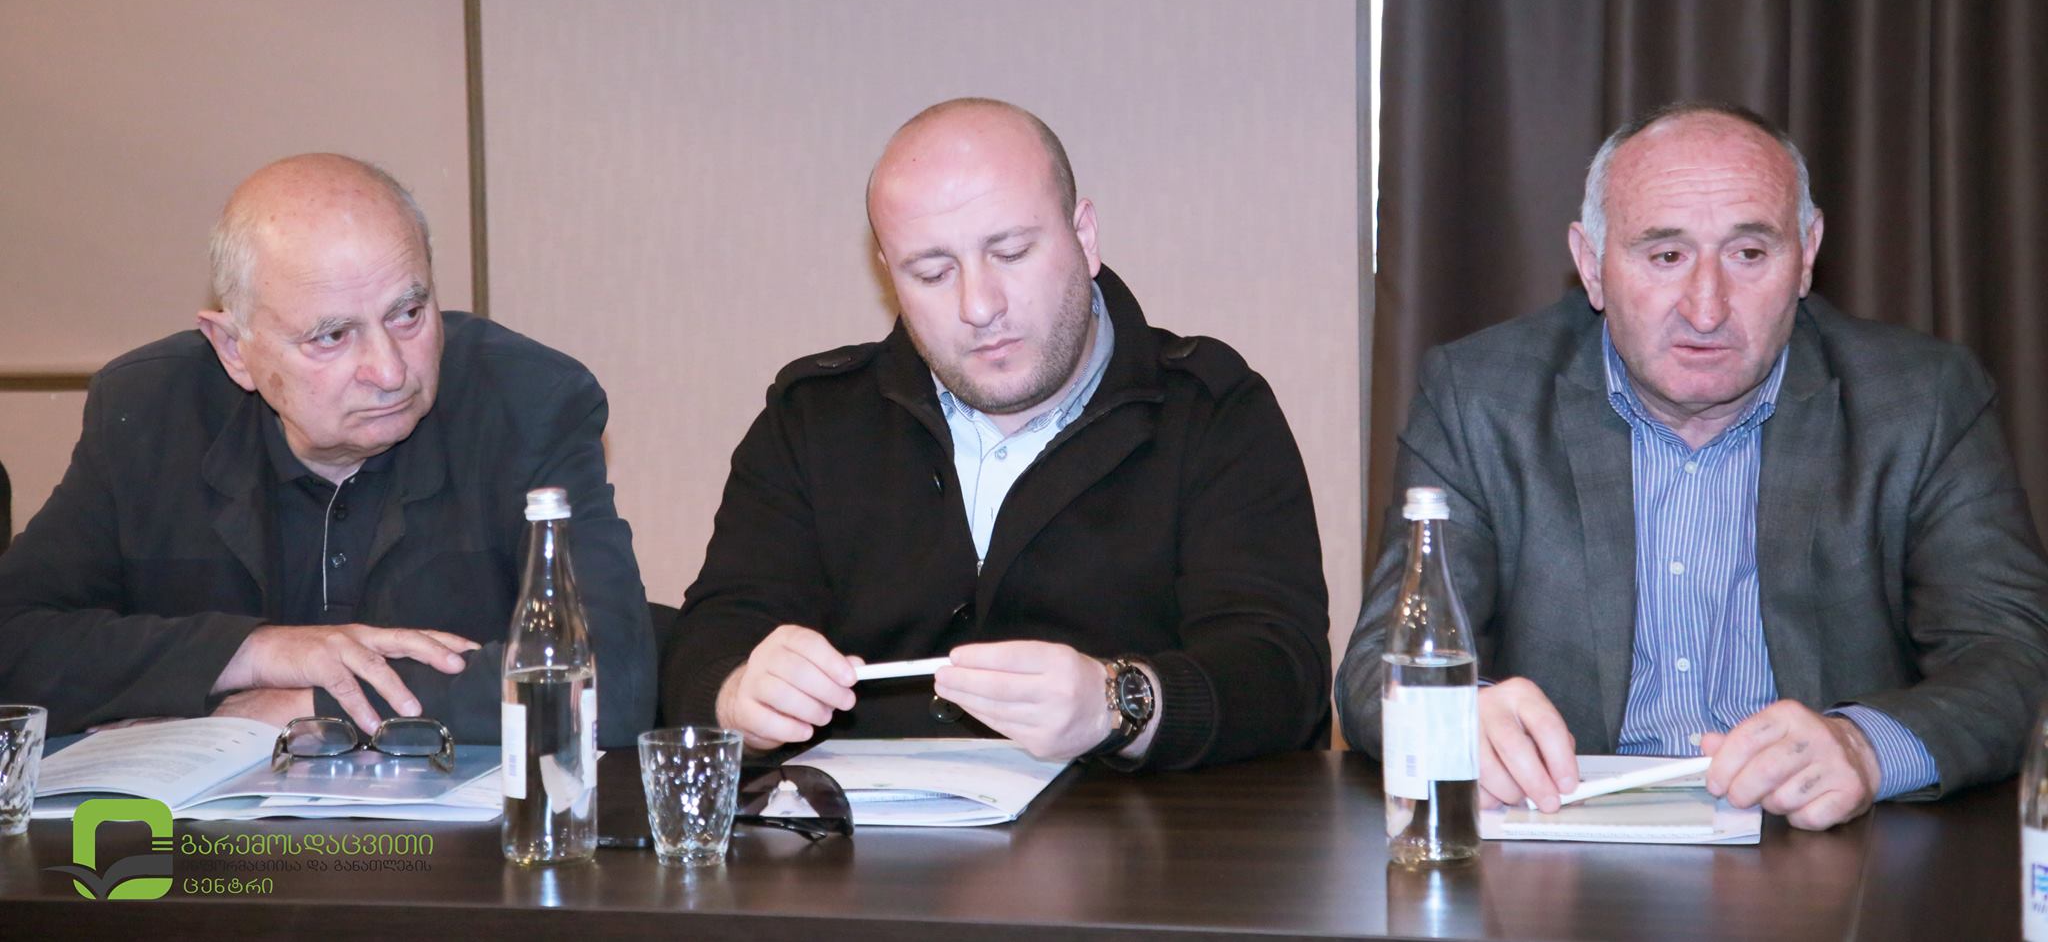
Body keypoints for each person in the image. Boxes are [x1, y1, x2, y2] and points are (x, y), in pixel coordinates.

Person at [1338, 103, 2048, 830]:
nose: (1707, 309)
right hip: (1562, 839)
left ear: (1806, 255)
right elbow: (1379, 665)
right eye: (1666, 256)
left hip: (1822, 843)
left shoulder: (1921, 400)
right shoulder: (1481, 398)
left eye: (1749, 254)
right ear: (1591, 265)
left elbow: (2016, 654)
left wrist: (1863, 747)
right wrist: (1458, 717)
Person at [663, 99, 1329, 768]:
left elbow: (1280, 676)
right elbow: (710, 640)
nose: (980, 305)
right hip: (864, 830)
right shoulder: (814, 418)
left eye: (1010, 252)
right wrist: (736, 697)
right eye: (932, 272)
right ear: (889, 274)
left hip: (1136, 829)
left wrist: (1117, 702)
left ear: (1085, 237)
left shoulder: (1210, 411)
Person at [0, 154, 656, 744]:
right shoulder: (148, 414)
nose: (390, 370)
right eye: (332, 336)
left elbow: (613, 678)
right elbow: (15, 638)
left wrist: (301, 706)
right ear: (235, 349)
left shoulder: (529, 404)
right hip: (200, 840)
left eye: (408, 314)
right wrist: (256, 654)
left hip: (452, 840)